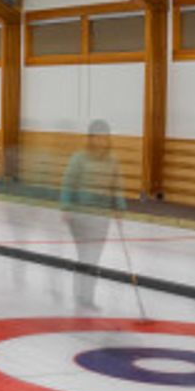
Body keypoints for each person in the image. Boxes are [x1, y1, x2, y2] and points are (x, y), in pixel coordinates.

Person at [60, 119, 126, 310]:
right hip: (80, 215)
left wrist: (119, 207)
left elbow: (116, 186)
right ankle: (80, 295)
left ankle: (88, 297)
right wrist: (66, 206)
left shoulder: (112, 161)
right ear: (91, 138)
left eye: (105, 137)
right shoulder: (79, 159)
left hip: (101, 216)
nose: (101, 141)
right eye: (98, 137)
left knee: (94, 257)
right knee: (85, 255)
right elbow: (68, 183)